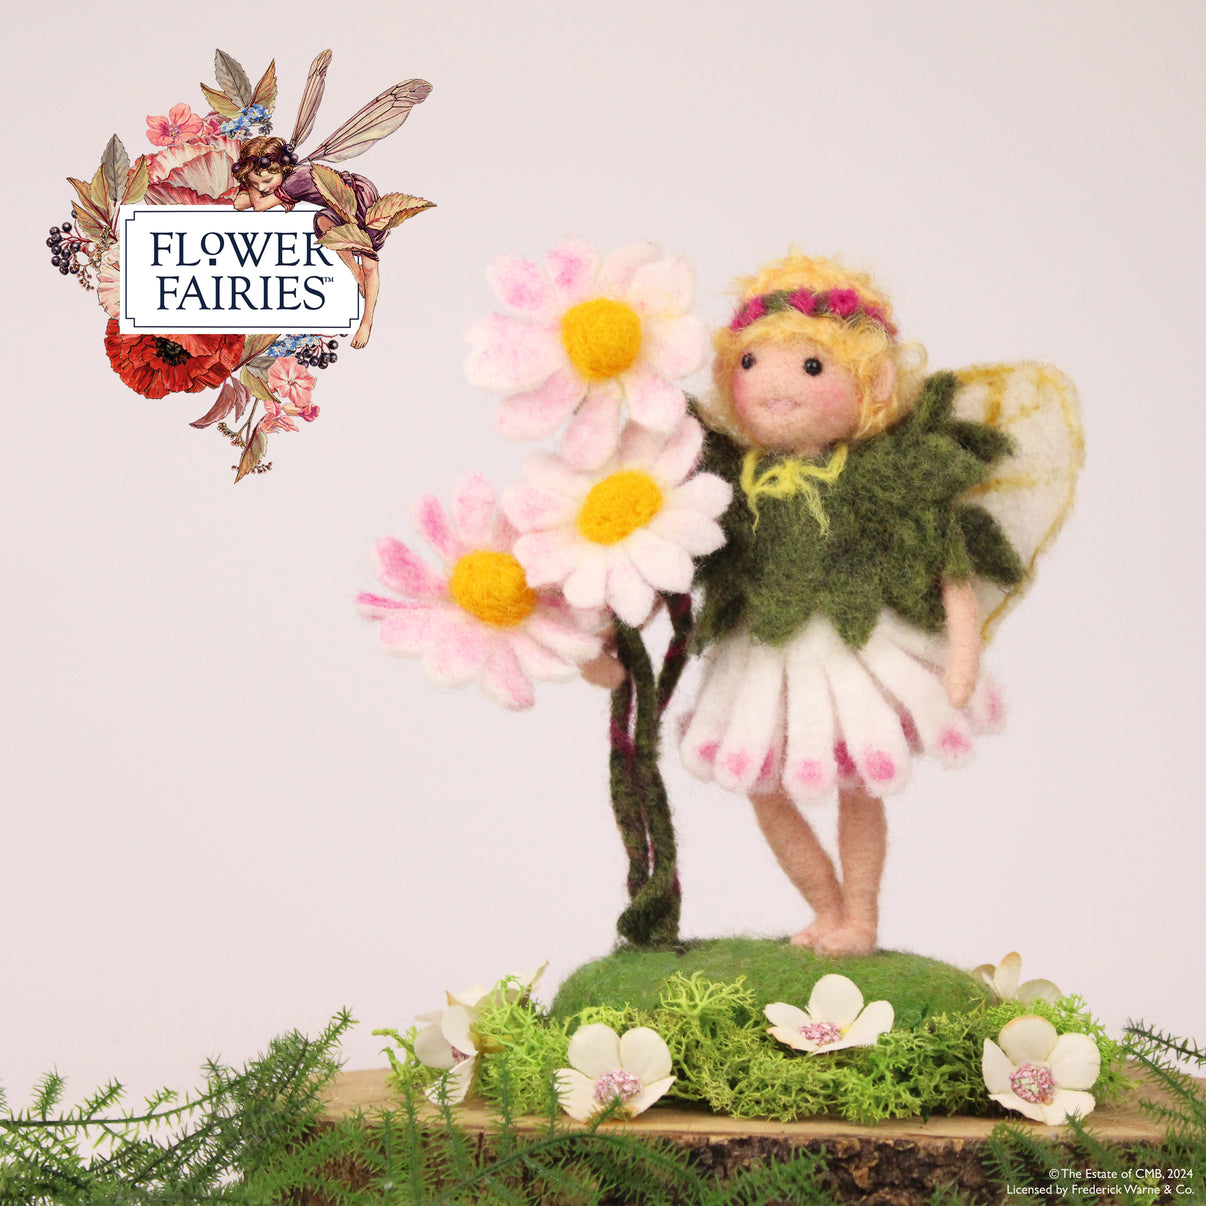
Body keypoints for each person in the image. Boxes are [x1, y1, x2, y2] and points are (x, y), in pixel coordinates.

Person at [679, 252, 1025, 957]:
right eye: (750, 363)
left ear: (873, 383)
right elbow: (684, 545)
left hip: (855, 649)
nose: (773, 385)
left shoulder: (877, 477)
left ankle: (859, 918)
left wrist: (963, 651)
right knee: (761, 784)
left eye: (811, 366)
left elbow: (943, 559)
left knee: (859, 785)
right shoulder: (732, 482)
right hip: (763, 656)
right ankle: (826, 907)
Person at [231, 136, 382, 349]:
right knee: (324, 224)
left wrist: (253, 185)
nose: (262, 188)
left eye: (266, 181)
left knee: (370, 265)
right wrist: (265, 188)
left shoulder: (295, 181)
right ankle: (355, 271)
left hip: (360, 199)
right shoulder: (282, 179)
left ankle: (366, 322)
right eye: (255, 184)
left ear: (282, 170)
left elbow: (258, 205)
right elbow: (238, 204)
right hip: (337, 206)